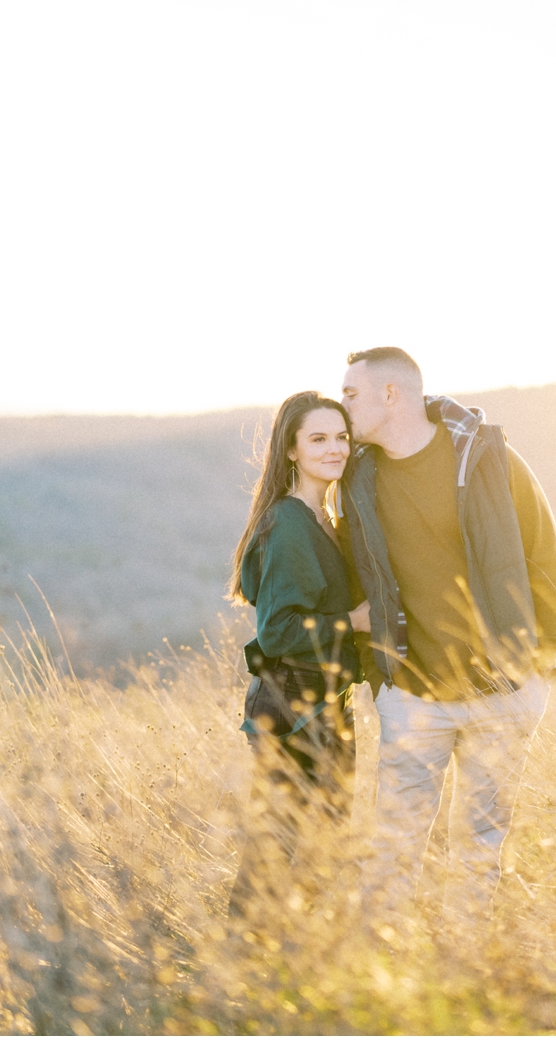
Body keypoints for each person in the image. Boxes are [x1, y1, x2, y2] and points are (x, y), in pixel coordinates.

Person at [335, 347, 556, 925]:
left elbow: (546, 561)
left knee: (479, 851)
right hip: (413, 699)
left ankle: (459, 975)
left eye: (350, 394)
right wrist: (381, 679)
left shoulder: (486, 458)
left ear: (392, 395)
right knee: (393, 851)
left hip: (502, 695)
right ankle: (377, 985)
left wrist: (535, 669)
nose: (342, 407)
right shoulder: (356, 479)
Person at [226, 391, 371, 921]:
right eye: (318, 439)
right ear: (291, 450)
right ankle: (238, 970)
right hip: (293, 706)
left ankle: (292, 968)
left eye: (341, 437)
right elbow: (280, 631)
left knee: (317, 848)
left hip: (326, 704)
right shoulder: (289, 522)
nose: (335, 449)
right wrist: (354, 622)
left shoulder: (322, 515)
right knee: (279, 851)